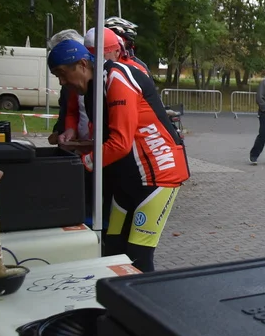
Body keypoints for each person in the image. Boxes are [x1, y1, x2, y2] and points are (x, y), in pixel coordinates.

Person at [48, 39, 189, 272]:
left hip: (157, 176)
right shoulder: (93, 87)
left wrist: (81, 164)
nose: (62, 82)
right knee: (113, 248)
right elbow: (108, 139)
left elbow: (120, 143)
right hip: (128, 176)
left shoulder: (117, 79)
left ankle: (144, 306)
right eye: (57, 77)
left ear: (82, 64)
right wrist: (78, 145)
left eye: (62, 74)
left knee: (137, 256)